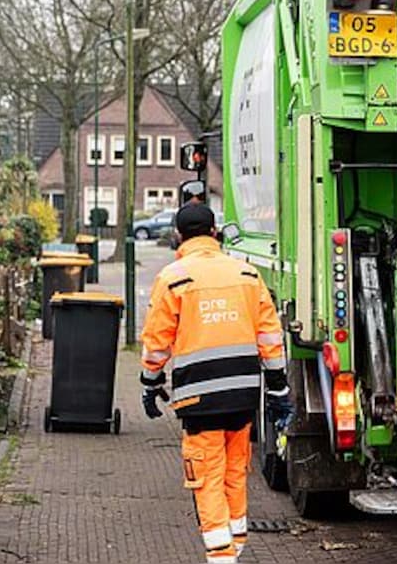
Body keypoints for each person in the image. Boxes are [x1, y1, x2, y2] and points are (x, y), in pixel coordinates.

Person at [140, 203, 293, 564]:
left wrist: (150, 384)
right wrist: (278, 388)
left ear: (178, 236)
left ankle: (222, 556)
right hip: (242, 396)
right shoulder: (248, 275)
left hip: (199, 398)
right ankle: (235, 544)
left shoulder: (173, 278)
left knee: (206, 475)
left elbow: (157, 342)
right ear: (215, 232)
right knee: (235, 470)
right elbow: (270, 337)